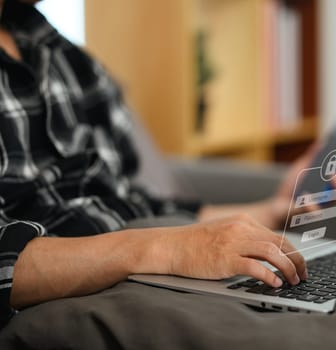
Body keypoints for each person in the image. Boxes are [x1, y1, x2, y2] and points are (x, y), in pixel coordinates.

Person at [0, 0, 317, 328]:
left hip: (137, 269)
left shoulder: (67, 58)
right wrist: (163, 249)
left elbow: (130, 202)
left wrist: (271, 211)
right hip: (60, 305)